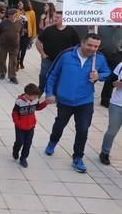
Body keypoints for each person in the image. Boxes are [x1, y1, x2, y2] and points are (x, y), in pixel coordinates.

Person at [44, 33, 111, 173]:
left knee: (82, 130)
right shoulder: (66, 55)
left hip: (85, 101)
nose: (93, 49)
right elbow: (52, 74)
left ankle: (78, 157)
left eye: (96, 46)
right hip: (65, 100)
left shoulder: (99, 59)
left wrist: (99, 76)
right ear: (82, 43)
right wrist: (49, 93)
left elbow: (107, 72)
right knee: (59, 124)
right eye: (90, 45)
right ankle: (53, 141)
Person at [35, 11, 80, 92]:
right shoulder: (48, 30)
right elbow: (38, 42)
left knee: (60, 77)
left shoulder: (71, 30)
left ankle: (55, 93)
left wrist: (72, 57)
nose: (55, 19)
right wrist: (42, 53)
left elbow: (77, 46)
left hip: (64, 61)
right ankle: (40, 91)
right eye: (54, 17)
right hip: (48, 59)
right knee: (43, 76)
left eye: (57, 17)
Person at [12, 84, 47, 168]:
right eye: (34, 96)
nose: (35, 98)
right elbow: (14, 113)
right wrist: (17, 123)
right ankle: (15, 150)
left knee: (28, 143)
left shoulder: (35, 100)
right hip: (20, 127)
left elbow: (37, 108)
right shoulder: (19, 101)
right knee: (19, 142)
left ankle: (23, 158)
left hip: (31, 126)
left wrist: (45, 103)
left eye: (36, 96)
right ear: (27, 94)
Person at [100, 61, 122, 165]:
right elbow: (110, 82)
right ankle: (105, 153)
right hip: (117, 104)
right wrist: (116, 84)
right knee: (112, 131)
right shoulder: (121, 65)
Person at [0, 8, 21, 83]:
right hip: (3, 45)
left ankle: (12, 76)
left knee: (13, 61)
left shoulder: (19, 23)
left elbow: (20, 32)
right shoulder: (3, 23)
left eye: (15, 15)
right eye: (13, 15)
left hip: (14, 46)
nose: (14, 16)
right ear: (9, 16)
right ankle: (2, 73)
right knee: (2, 60)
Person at [17, 0, 36, 70]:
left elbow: (34, 24)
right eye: (19, 3)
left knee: (23, 49)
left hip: (26, 34)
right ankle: (17, 62)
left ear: (24, 4)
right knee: (17, 49)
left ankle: (21, 61)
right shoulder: (18, 12)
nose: (18, 4)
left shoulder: (31, 13)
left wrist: (33, 35)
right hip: (18, 34)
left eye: (20, 4)